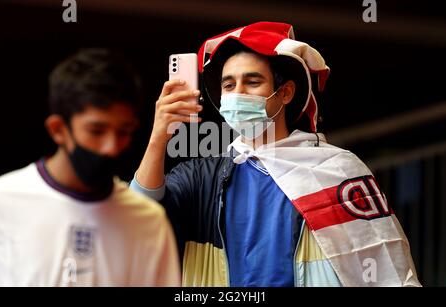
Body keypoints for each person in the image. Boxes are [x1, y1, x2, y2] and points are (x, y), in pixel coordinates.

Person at [130, 22, 420, 287]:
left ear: (286, 92)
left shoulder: (337, 170)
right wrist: (159, 138)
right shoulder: (201, 177)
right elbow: (137, 223)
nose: (238, 93)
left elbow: (387, 272)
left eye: (252, 82)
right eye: (229, 85)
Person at [0, 49, 180, 286]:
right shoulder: (2, 203)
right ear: (58, 130)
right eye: (96, 131)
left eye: (124, 132)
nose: (111, 147)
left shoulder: (148, 221)